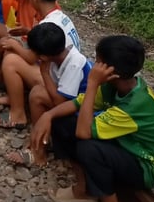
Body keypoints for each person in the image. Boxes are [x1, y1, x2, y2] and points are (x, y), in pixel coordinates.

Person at [31, 35, 154, 202]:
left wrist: (93, 83)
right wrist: (47, 115)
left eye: (98, 61)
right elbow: (79, 103)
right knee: (61, 119)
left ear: (111, 72)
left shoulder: (134, 106)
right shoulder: (116, 86)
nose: (94, 66)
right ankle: (83, 189)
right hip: (125, 146)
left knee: (89, 148)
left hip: (144, 165)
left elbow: (83, 133)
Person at [0, 0, 81, 129]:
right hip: (68, 77)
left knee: (11, 59)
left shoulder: (48, 24)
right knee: (13, 52)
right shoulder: (60, 17)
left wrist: (15, 46)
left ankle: (18, 115)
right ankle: (15, 99)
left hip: (58, 83)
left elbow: (31, 58)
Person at [6, 23, 92, 165]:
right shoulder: (58, 56)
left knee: (37, 95)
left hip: (82, 109)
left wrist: (44, 72)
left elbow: (60, 102)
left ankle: (39, 152)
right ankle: (39, 137)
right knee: (39, 91)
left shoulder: (74, 64)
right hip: (71, 101)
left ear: (43, 57)